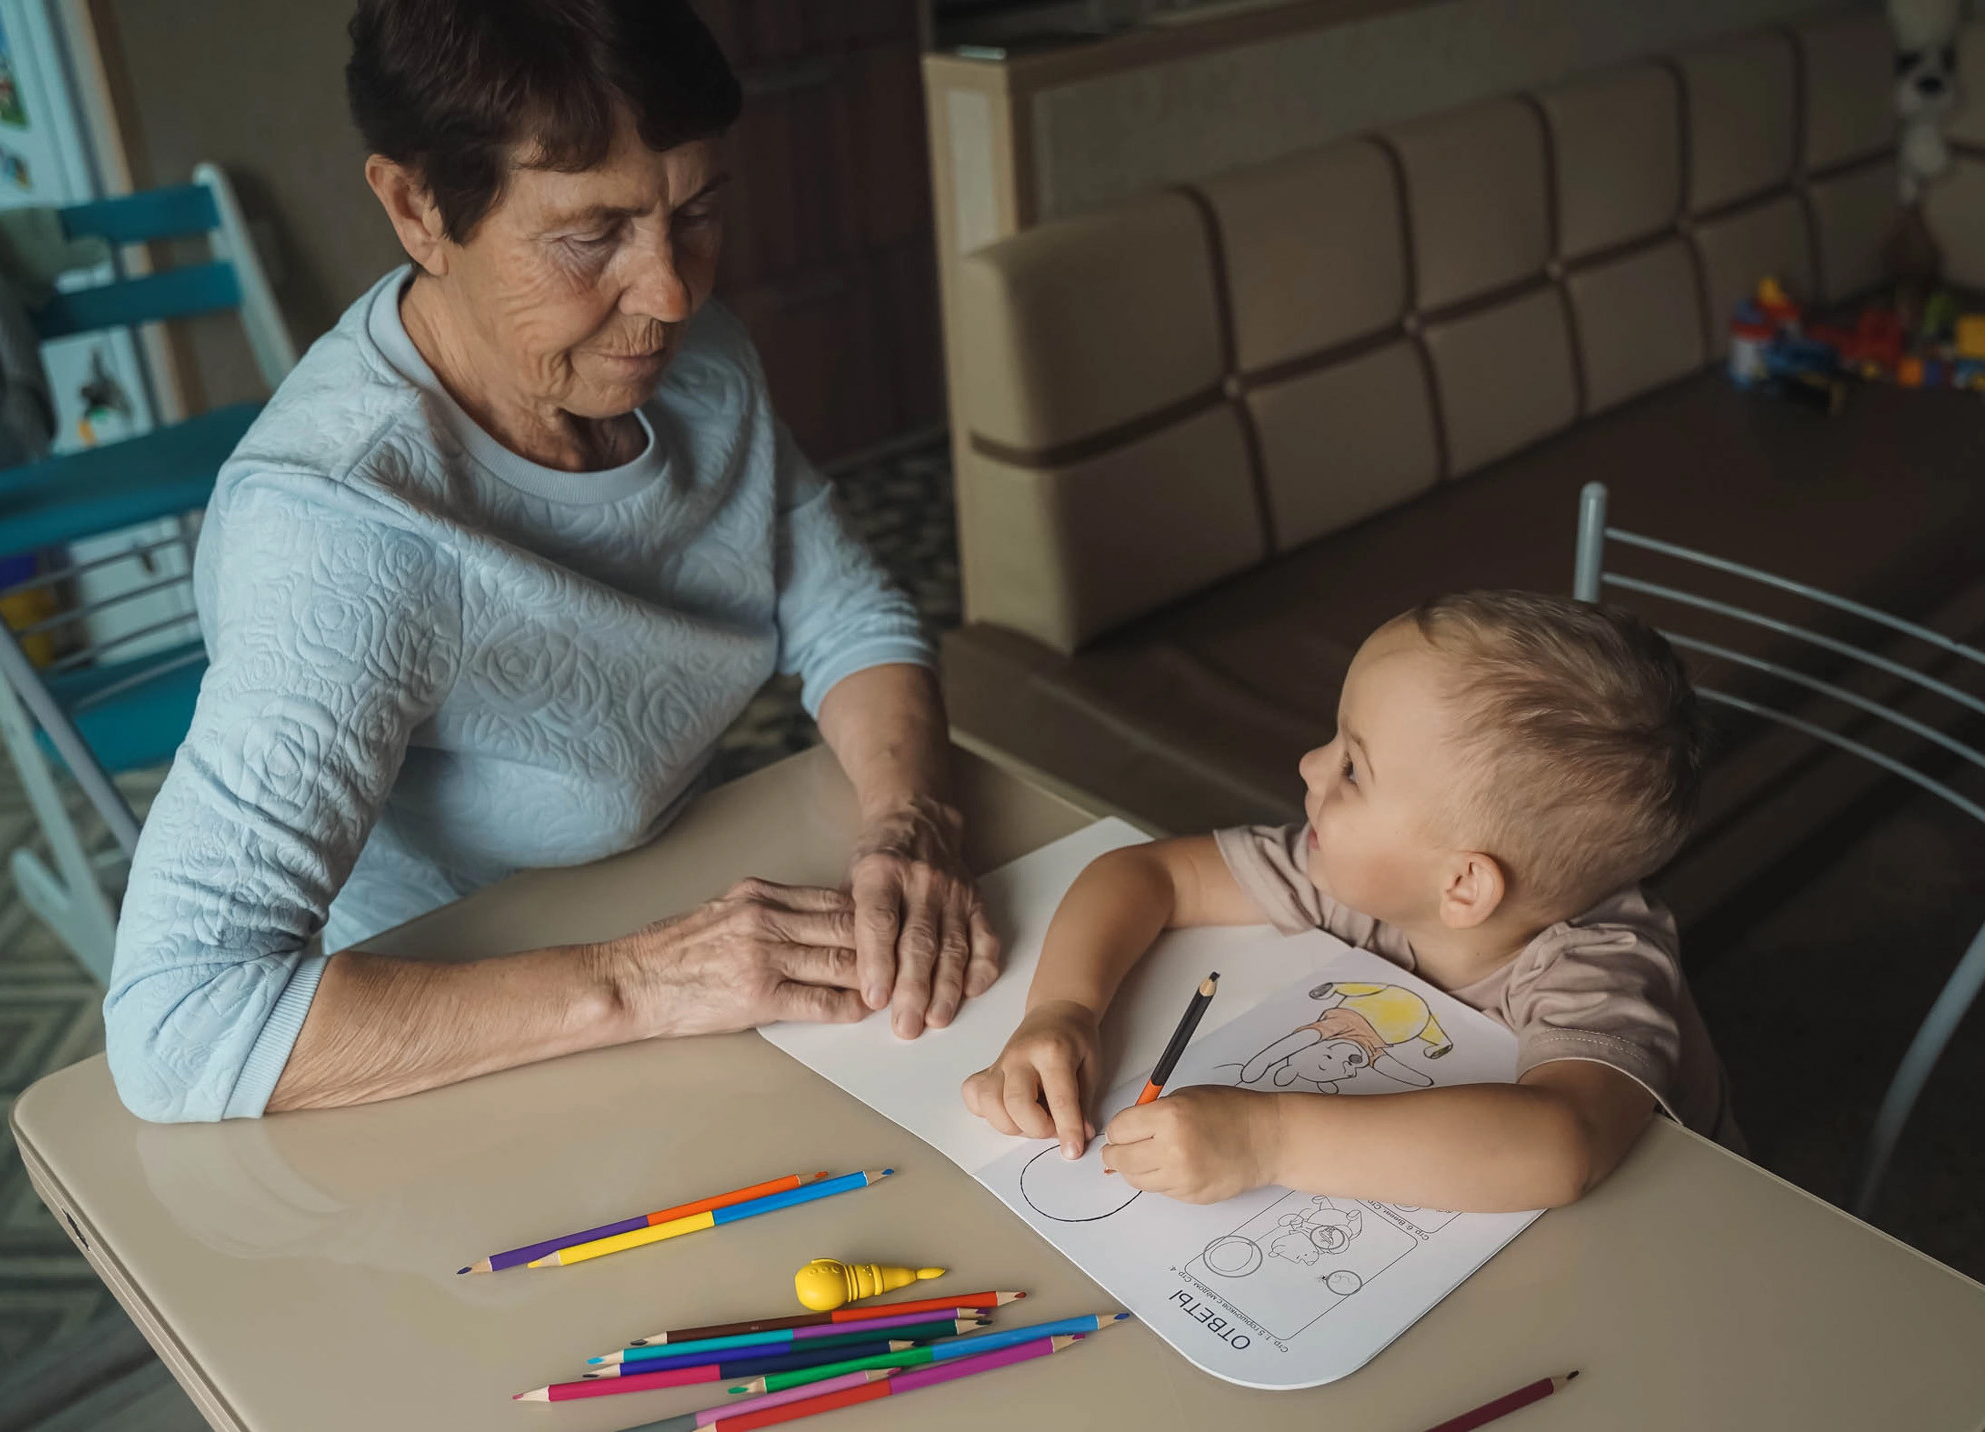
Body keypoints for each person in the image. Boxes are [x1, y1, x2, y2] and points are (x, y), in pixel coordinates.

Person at [103, 0, 996, 1125]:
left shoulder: (696, 362)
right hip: (453, 1028)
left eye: (698, 210)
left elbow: (849, 614)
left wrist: (909, 825)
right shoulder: (343, 530)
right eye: (590, 235)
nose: (673, 294)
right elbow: (180, 1024)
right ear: (417, 207)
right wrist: (642, 980)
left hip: (678, 909)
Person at [963, 591, 1740, 1213]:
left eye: (1354, 769)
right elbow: (1150, 875)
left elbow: (1561, 1146)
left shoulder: (1601, 966)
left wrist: (1268, 1140)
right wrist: (1061, 1009)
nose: (1308, 765)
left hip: (1694, 1223)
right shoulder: (1352, 870)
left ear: (1463, 885)